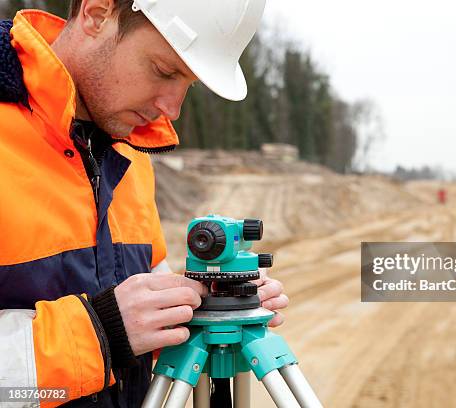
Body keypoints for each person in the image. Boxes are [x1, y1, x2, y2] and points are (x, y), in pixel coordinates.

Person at [0, 0, 288, 406]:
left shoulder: (131, 154)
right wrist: (100, 334)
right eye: (164, 70)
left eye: (187, 84)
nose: (171, 109)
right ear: (97, 14)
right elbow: (118, 328)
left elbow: (140, 315)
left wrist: (209, 305)